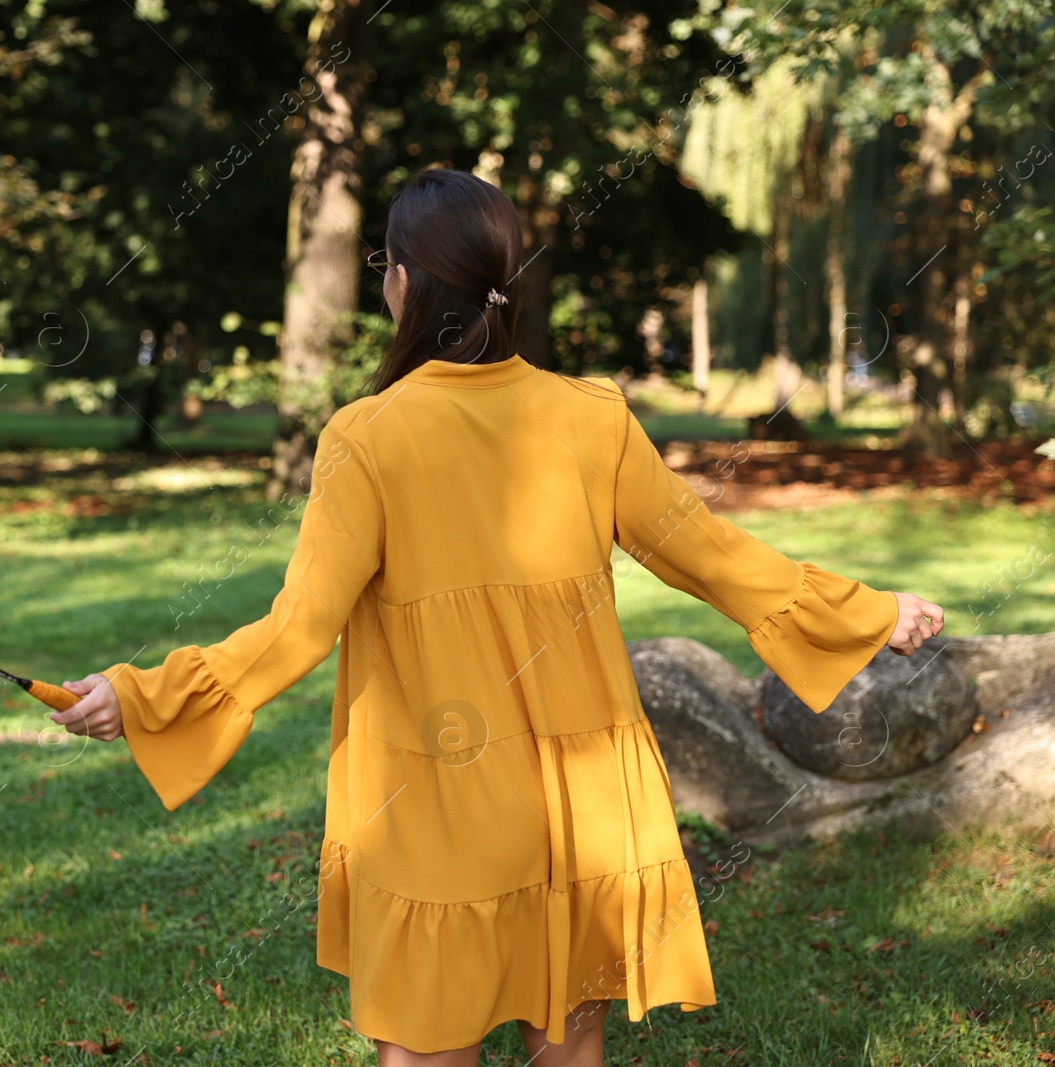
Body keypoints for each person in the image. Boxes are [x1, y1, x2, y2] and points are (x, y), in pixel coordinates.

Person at [50, 169, 944, 1066]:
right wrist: (869, 611)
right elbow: (710, 556)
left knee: (428, 1049)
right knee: (568, 1050)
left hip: (438, 805)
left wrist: (144, 697)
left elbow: (298, 627)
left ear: (403, 280)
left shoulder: (366, 436)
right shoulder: (591, 416)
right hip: (583, 801)